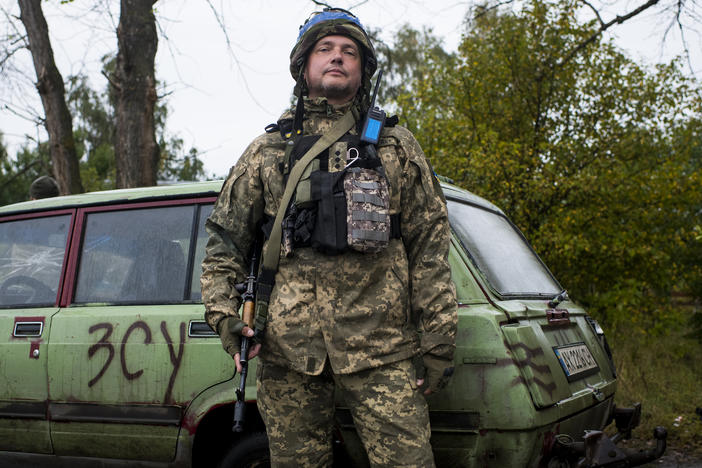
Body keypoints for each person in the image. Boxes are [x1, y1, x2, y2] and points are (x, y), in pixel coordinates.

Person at [201, 8, 457, 467]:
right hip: (289, 349)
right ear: (304, 66)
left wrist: (438, 339)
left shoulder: (396, 146)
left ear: (363, 70)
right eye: (325, 49)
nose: (337, 58)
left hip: (382, 348)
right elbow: (225, 242)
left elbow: (431, 246)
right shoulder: (267, 151)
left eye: (349, 52)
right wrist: (226, 317)